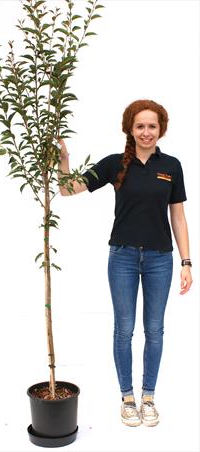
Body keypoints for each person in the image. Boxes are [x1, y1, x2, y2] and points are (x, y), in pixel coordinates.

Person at [57, 99, 192, 427]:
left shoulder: (171, 166)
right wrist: (64, 160)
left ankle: (148, 397)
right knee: (124, 329)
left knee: (155, 330)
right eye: (140, 126)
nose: (146, 132)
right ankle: (127, 398)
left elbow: (178, 215)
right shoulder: (115, 164)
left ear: (161, 130)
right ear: (130, 129)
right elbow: (66, 189)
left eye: (152, 126)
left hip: (160, 259)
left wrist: (187, 261)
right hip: (123, 257)